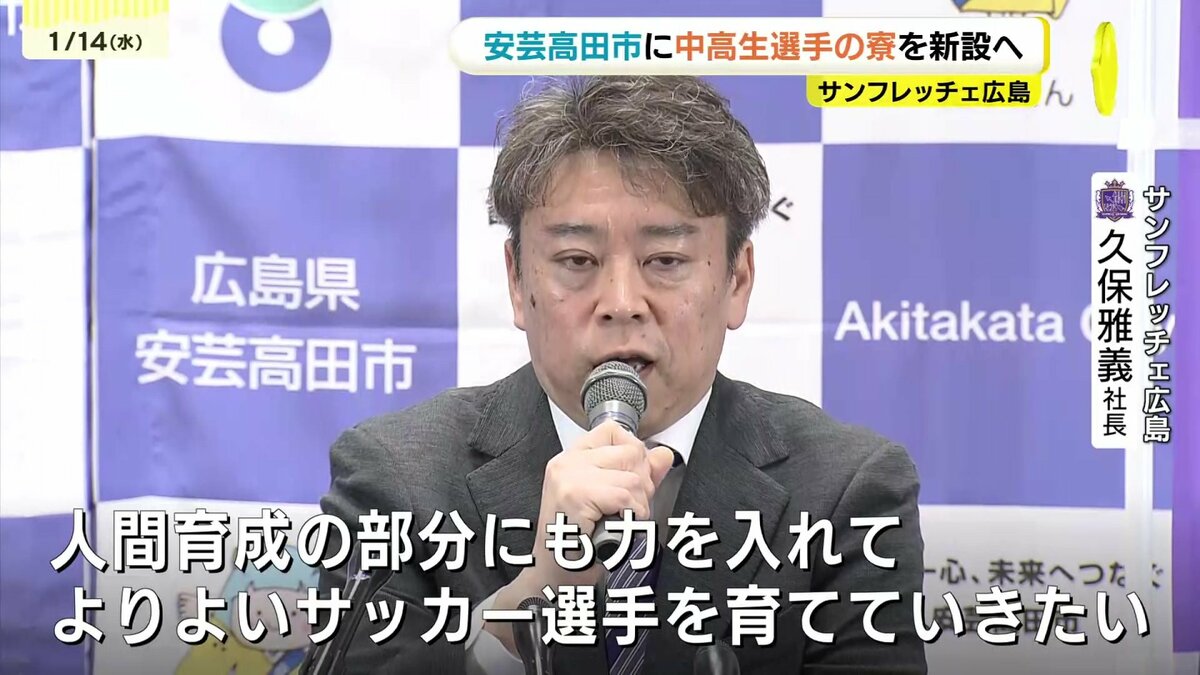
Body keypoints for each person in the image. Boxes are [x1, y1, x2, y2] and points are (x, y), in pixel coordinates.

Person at [313, 75, 927, 674]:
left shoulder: (845, 491)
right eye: (577, 260)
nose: (622, 302)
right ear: (517, 281)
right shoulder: (399, 479)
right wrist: (528, 609)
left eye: (665, 260)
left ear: (737, 280)